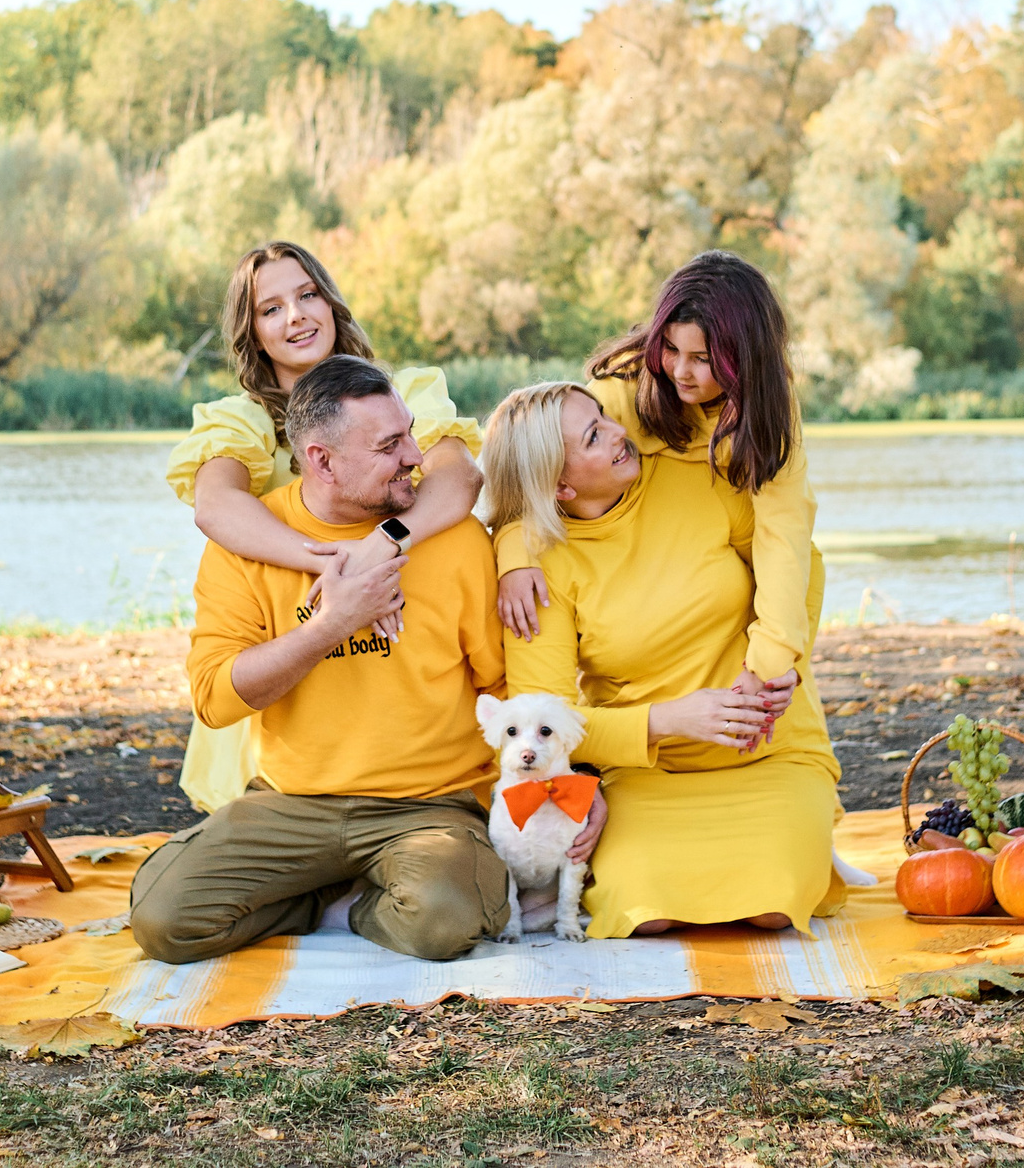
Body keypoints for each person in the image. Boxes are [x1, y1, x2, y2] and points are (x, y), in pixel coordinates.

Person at [131, 356, 602, 963]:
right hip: (291, 802)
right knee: (164, 921)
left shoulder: (451, 540)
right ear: (323, 460)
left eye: (409, 432)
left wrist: (573, 779)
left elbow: (510, 688)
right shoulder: (246, 545)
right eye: (389, 445)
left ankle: (361, 899)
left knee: (444, 922)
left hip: (430, 805)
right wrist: (333, 624)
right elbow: (216, 700)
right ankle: (318, 889)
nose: (415, 454)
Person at [484, 380, 843, 938]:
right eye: (595, 436)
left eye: (604, 418)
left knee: (774, 905)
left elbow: (803, 564)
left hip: (771, 750)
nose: (621, 434)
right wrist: (671, 719)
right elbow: (546, 717)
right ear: (559, 485)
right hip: (652, 772)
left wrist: (784, 662)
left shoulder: (698, 478)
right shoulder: (540, 570)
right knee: (646, 911)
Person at [164, 242, 484, 813]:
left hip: (404, 646)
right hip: (293, 650)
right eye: (271, 308)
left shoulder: (400, 395)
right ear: (252, 333)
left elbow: (457, 481)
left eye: (308, 294)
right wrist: (335, 565)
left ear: (331, 302)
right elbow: (216, 508)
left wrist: (382, 545)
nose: (297, 316)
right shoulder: (241, 422)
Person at [496, 251, 823, 744]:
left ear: (744, 361)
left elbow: (784, 540)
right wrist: (515, 552)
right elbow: (532, 462)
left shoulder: (768, 417)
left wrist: (770, 667)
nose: (680, 371)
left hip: (729, 545)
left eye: (703, 359)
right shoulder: (621, 396)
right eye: (669, 347)